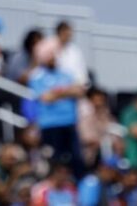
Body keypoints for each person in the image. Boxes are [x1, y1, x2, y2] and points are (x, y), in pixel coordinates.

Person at [25, 39, 86, 178]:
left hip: (69, 122)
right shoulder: (37, 76)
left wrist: (57, 92)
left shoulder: (66, 73)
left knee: (75, 159)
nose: (53, 57)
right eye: (49, 54)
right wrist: (66, 91)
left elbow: (79, 91)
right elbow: (46, 97)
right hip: (50, 124)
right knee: (53, 160)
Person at [42, 21, 89, 87]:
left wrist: (82, 85)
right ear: (59, 33)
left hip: (74, 88)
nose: (67, 36)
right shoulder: (48, 47)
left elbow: (82, 73)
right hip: (53, 87)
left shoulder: (75, 51)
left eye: (69, 34)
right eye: (65, 33)